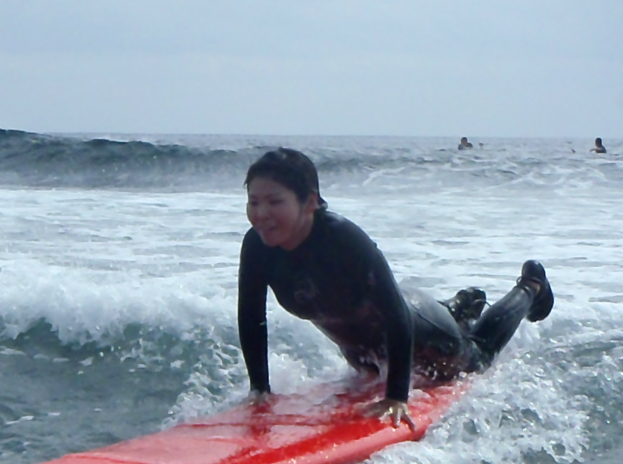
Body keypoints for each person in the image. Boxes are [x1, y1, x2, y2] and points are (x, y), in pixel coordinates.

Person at [237, 148, 553, 427]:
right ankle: (460, 307)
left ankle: (531, 287)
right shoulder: (257, 247)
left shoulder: (343, 239)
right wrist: (260, 390)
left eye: (274, 201)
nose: (261, 213)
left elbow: (394, 315)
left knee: (476, 357)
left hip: (420, 332)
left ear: (310, 202)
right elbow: (252, 318)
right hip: (367, 352)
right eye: (253, 202)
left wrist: (397, 396)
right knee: (437, 327)